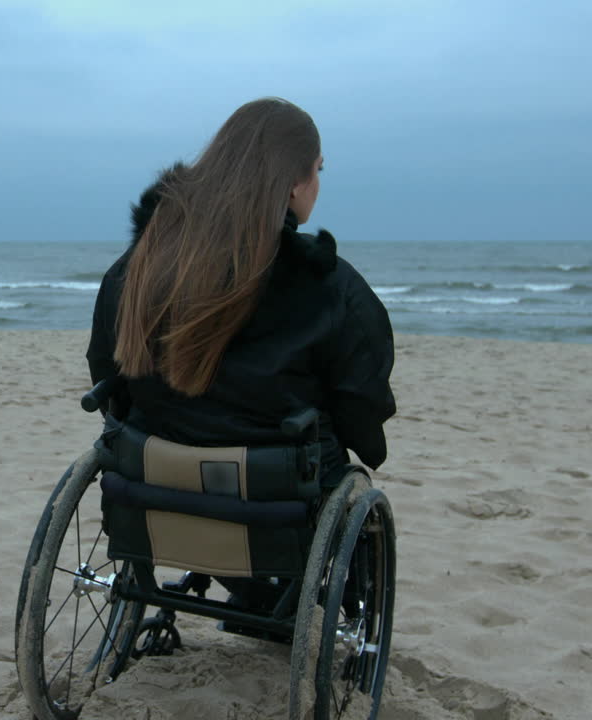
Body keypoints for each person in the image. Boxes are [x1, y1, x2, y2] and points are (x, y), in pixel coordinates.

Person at [86, 97, 395, 609]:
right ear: (295, 183)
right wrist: (366, 447)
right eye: (318, 172)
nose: (318, 185)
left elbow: (107, 367)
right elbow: (362, 398)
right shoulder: (327, 286)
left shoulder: (140, 266)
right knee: (345, 473)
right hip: (273, 498)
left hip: (154, 477)